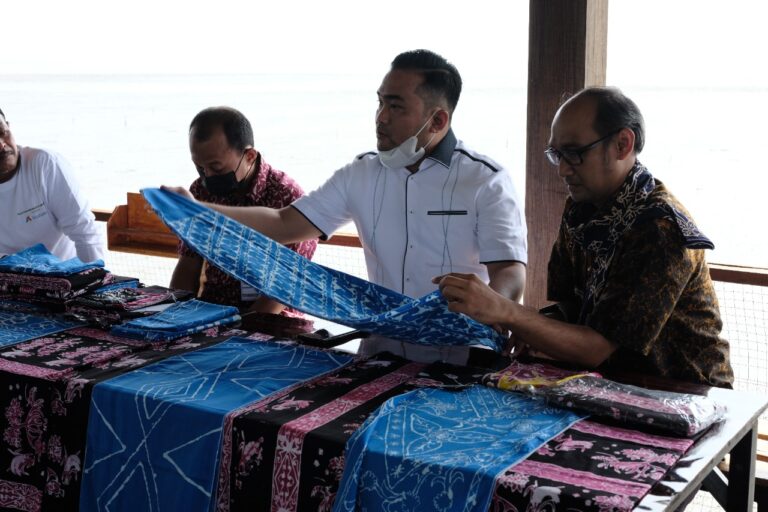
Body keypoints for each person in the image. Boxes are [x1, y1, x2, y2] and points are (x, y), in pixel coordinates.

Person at [165, 50, 527, 364]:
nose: (381, 117)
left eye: (396, 105)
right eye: (380, 101)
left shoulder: (485, 180)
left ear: (437, 121)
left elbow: (509, 271)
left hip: (461, 354)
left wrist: (496, 308)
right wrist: (198, 211)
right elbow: (283, 222)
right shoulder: (361, 173)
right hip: (380, 352)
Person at [435, 86, 734, 387]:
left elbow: (596, 347)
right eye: (557, 154)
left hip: (689, 394)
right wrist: (528, 328)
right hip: (614, 385)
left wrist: (507, 311)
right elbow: (571, 308)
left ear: (622, 144)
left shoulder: (658, 226)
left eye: (575, 153)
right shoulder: (581, 210)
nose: (563, 169)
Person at [169, 106, 317, 316]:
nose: (207, 176)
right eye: (200, 167)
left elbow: (285, 289)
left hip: (275, 319)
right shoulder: (200, 191)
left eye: (216, 168)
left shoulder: (286, 197)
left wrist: (237, 331)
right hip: (213, 310)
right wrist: (175, 313)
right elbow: (188, 265)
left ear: (249, 156)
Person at [0, 107, 104, 263]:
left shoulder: (45, 165)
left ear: (9, 126)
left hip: (64, 279)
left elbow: (85, 233)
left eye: (3, 132)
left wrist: (96, 282)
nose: (2, 145)